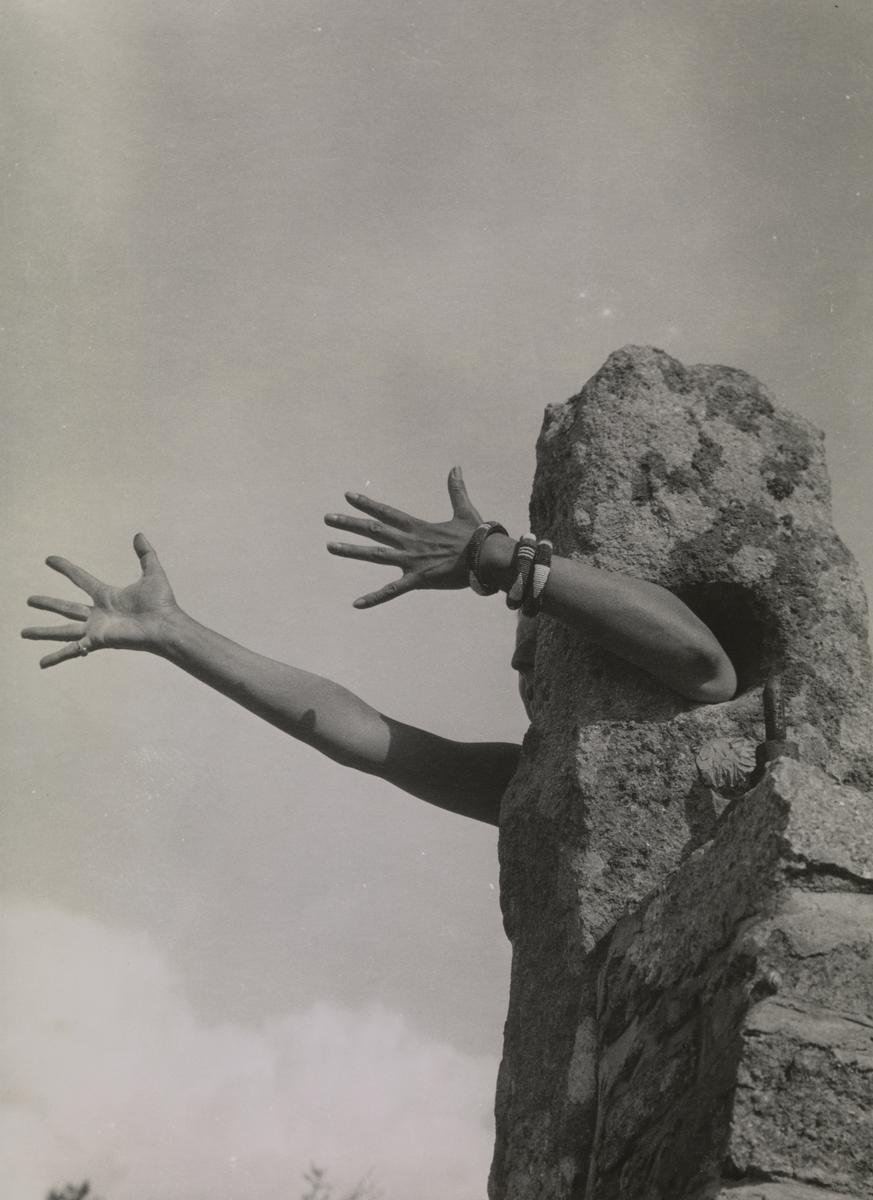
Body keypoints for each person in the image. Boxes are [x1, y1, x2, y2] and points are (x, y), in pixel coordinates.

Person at [21, 468, 736, 827]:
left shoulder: (703, 732)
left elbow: (702, 667)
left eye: (535, 648)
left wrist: (496, 558)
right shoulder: (540, 787)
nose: (524, 667)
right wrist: (173, 633)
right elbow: (358, 732)